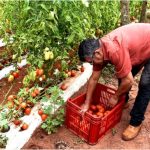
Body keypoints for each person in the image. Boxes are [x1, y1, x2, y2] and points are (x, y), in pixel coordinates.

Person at [78, 23, 150, 141]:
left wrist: (115, 96)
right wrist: (87, 102)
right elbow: (94, 78)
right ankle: (124, 101)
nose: (92, 63)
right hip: (140, 47)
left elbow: (129, 81)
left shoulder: (114, 50)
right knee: (123, 73)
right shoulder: (98, 51)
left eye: (91, 61)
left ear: (97, 53)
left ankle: (136, 122)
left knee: (145, 83)